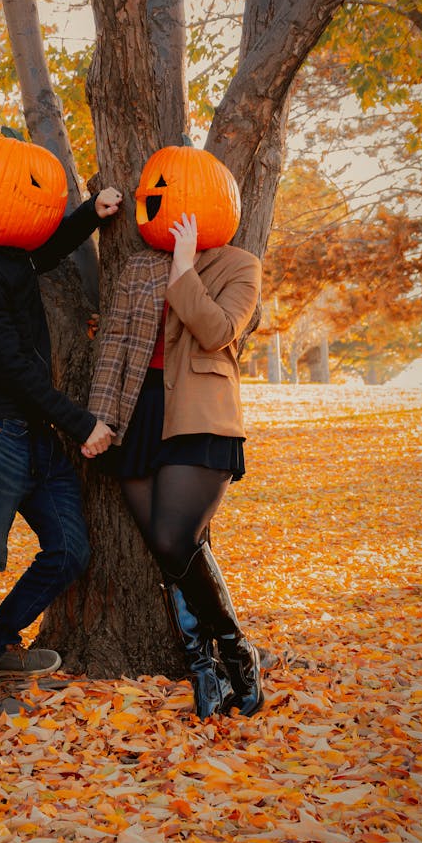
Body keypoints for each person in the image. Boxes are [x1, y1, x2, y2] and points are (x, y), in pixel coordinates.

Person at [0, 160, 122, 716]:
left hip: (35, 433)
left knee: (70, 549)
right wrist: (83, 423)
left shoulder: (9, 260)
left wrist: (90, 214)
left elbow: (44, 252)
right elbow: (12, 369)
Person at [85, 169, 265, 720]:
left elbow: (216, 330)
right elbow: (113, 343)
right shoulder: (139, 265)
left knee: (174, 536)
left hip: (200, 415)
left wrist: (185, 267)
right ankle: (204, 671)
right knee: (169, 554)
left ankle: (237, 651)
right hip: (139, 416)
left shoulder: (240, 266)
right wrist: (99, 418)